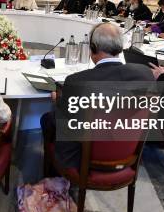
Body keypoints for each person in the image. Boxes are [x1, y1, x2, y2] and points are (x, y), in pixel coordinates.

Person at [40, 23, 154, 170]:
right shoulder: (145, 73)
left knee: (48, 118)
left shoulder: (76, 81)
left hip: (82, 158)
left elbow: (63, 120)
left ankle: (53, 176)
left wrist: (58, 101)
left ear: (92, 47)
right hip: (127, 154)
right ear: (120, 47)